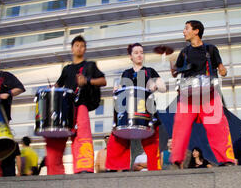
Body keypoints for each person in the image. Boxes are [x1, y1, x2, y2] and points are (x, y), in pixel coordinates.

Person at [169, 20, 235, 168]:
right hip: (188, 95)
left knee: (217, 126)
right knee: (180, 125)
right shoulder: (184, 52)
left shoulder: (210, 49)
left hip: (209, 93)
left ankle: (227, 159)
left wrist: (223, 71)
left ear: (196, 31)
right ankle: (176, 160)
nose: (184, 31)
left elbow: (221, 68)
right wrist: (172, 64)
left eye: (186, 28)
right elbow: (175, 73)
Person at [44, 35, 106, 175]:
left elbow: (103, 81)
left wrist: (87, 81)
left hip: (81, 104)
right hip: (65, 107)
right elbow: (58, 85)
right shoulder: (67, 69)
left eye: (82, 45)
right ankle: (54, 171)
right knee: (56, 137)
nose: (79, 48)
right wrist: (51, 89)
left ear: (85, 49)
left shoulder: (90, 65)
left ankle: (83, 168)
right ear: (72, 48)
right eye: (77, 45)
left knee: (82, 136)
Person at [106, 43, 166, 171]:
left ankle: (155, 170)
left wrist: (155, 85)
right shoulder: (126, 73)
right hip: (129, 113)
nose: (140, 55)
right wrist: (117, 89)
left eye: (141, 52)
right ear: (131, 56)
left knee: (152, 144)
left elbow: (163, 87)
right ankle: (117, 167)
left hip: (147, 112)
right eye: (136, 52)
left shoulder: (150, 71)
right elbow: (122, 92)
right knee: (118, 139)